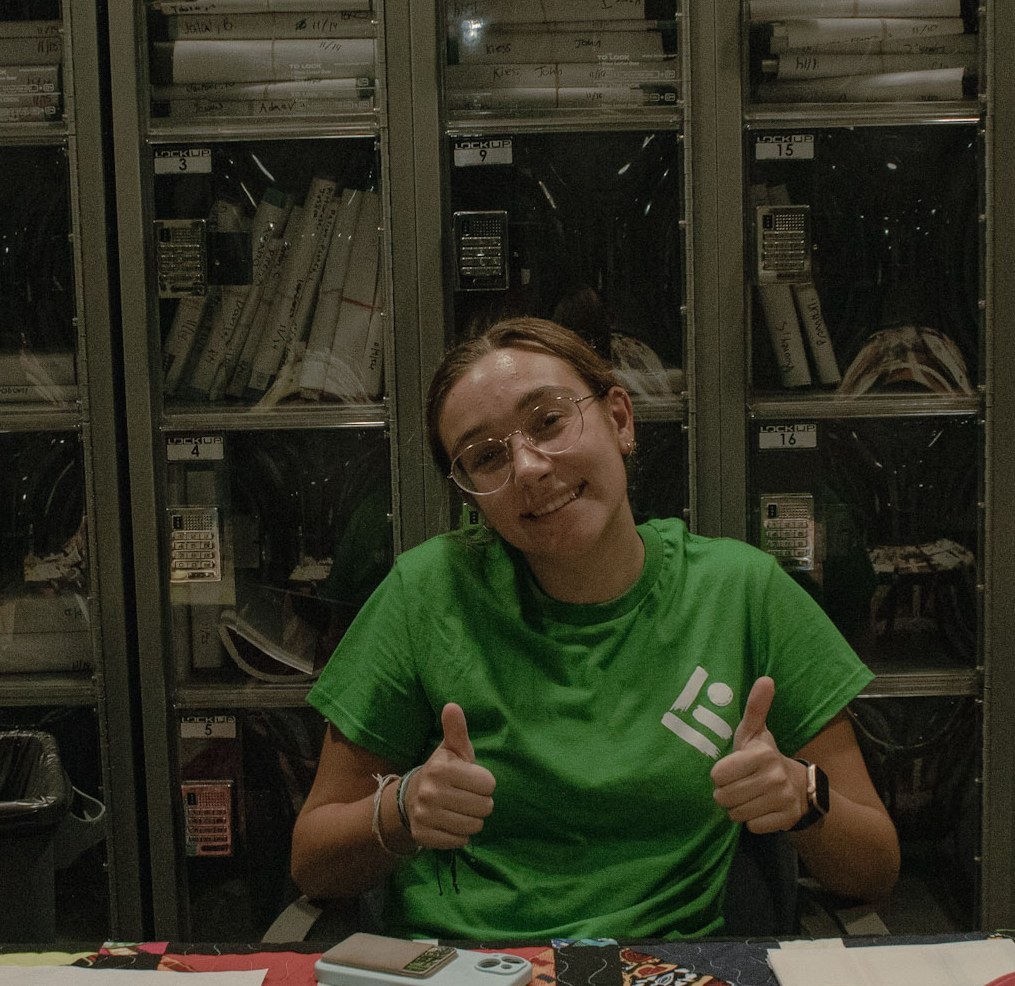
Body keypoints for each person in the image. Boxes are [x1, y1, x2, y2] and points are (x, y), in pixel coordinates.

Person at [290, 317, 899, 939]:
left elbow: (875, 867)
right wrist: (400, 808)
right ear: (473, 495)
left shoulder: (741, 591)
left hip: (679, 978)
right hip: (464, 981)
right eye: (486, 457)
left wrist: (802, 797)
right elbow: (312, 862)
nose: (527, 467)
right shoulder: (425, 594)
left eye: (549, 421)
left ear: (620, 420)